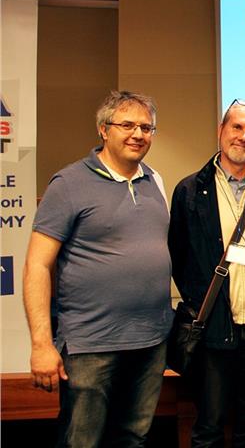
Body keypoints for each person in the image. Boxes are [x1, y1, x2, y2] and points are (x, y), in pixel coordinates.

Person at [22, 90, 172, 447]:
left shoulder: (155, 180)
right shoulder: (69, 183)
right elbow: (37, 265)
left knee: (133, 438)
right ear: (104, 130)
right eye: (127, 125)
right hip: (91, 344)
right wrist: (41, 343)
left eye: (146, 127)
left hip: (151, 341)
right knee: (82, 441)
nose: (138, 134)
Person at [168, 98, 245, 447]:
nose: (243, 136)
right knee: (209, 428)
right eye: (236, 127)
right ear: (220, 130)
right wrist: (201, 302)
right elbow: (178, 255)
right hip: (213, 328)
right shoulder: (189, 190)